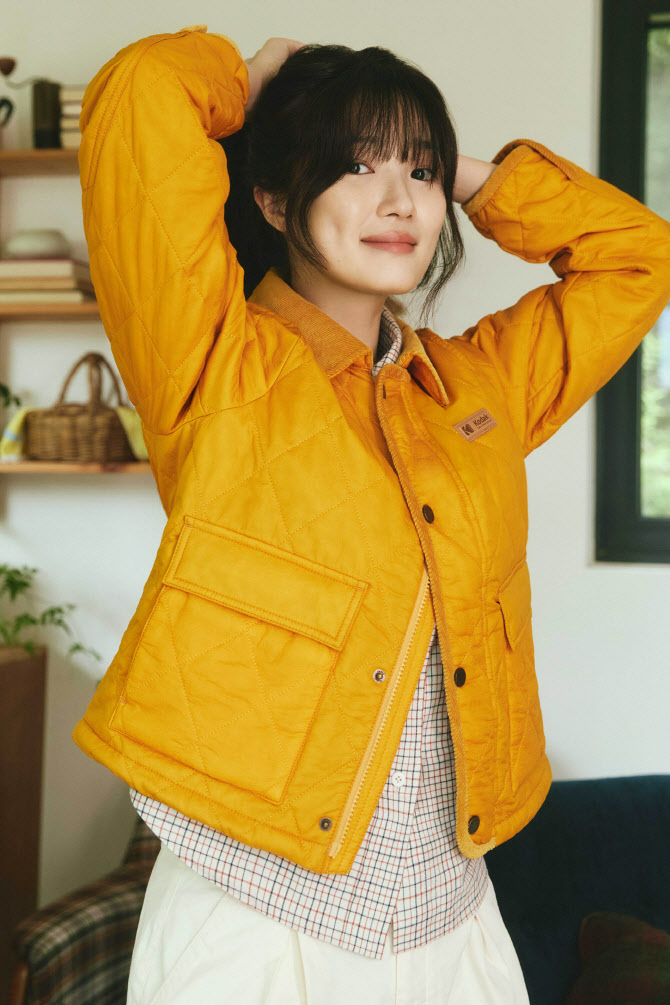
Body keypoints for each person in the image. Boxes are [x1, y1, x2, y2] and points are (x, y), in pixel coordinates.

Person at [71, 24, 670, 1005]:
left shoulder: (477, 388)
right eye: (354, 166)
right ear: (274, 196)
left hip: (450, 912)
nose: (399, 201)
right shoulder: (214, 360)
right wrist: (253, 82)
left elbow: (640, 257)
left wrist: (462, 171)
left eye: (417, 172)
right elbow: (137, 95)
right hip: (256, 906)